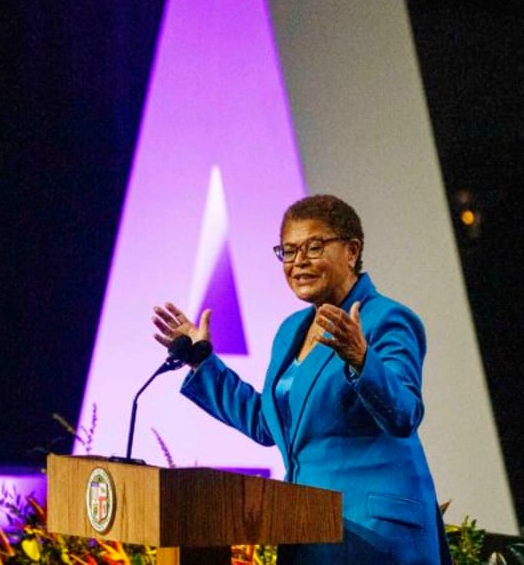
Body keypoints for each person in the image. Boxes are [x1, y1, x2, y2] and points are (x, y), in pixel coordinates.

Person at [152, 194, 451, 564]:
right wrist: (201, 362)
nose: (298, 262)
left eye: (313, 247)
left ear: (352, 251)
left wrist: (362, 359)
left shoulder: (386, 319)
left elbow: (404, 413)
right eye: (288, 251)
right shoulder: (291, 330)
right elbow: (267, 423)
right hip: (309, 527)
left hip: (375, 534)